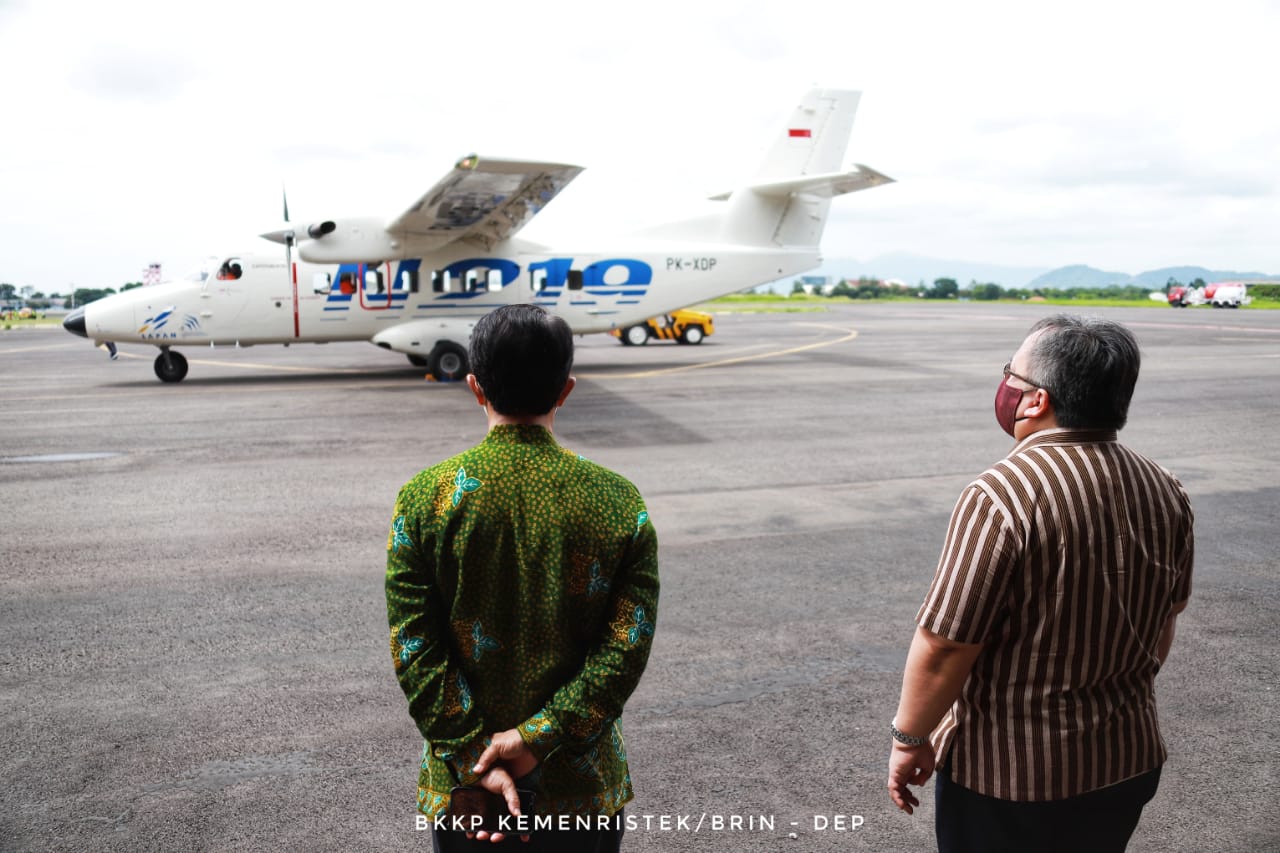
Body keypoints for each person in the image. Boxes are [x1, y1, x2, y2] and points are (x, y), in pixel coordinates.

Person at [887, 314, 1194, 853]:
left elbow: (946, 643)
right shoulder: (1165, 486)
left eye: (1011, 373)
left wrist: (910, 738)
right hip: (1128, 759)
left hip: (1014, 779)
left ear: (1035, 401)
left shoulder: (1003, 493)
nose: (1005, 384)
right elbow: (1164, 621)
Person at [386, 304, 659, 851]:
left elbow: (416, 646)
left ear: (474, 386)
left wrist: (473, 755)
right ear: (566, 390)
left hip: (468, 792)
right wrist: (536, 739)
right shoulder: (617, 500)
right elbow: (624, 649)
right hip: (579, 786)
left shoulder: (425, 499)